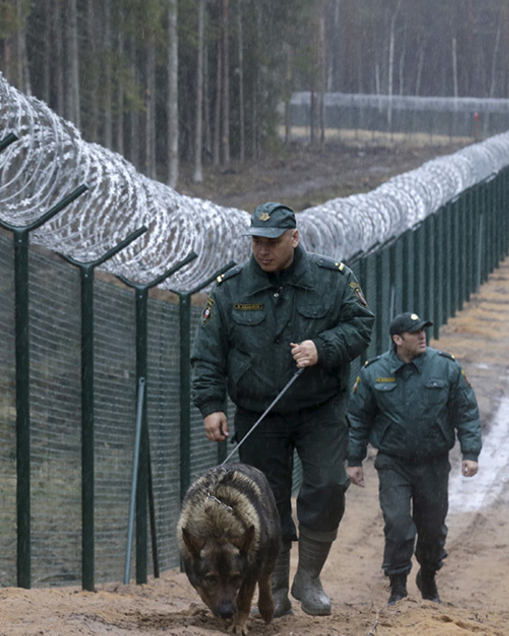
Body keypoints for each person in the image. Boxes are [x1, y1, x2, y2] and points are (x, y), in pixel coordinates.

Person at [191, 201, 374, 617]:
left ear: (294, 238)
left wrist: (321, 347)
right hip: (258, 413)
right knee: (264, 504)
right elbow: (207, 354)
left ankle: (309, 576)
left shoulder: (333, 280)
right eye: (256, 241)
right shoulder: (230, 289)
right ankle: (271, 584)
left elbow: (361, 326)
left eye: (272, 241)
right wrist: (211, 405)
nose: (263, 250)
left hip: (320, 408)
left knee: (328, 485)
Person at [346, 312, 482, 606]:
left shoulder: (444, 367)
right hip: (394, 462)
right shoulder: (374, 373)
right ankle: (398, 587)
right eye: (414, 332)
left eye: (423, 331)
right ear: (397, 339)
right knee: (397, 524)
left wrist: (470, 453)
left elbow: (466, 411)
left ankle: (428, 576)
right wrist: (354, 460)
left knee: (432, 528)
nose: (422, 336)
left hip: (433, 463)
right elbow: (358, 419)